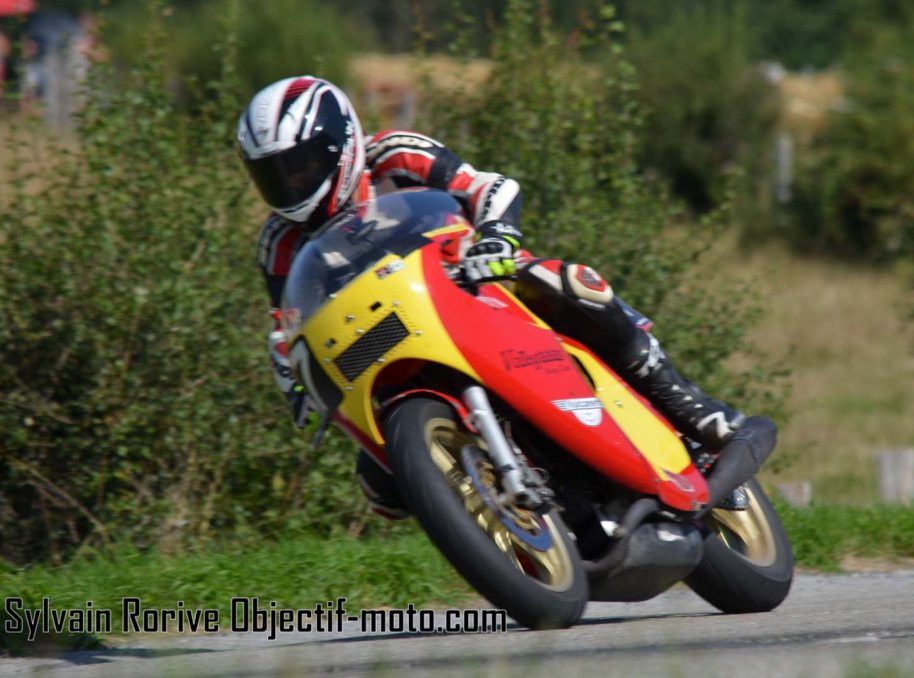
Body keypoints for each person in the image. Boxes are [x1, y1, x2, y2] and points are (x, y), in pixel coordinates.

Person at [237, 76, 776, 518]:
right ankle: (497, 515)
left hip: (469, 279)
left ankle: (690, 406)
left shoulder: (395, 154)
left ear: (341, 143)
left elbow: (490, 187)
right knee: (378, 486)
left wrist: (495, 234)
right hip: (382, 340)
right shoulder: (279, 243)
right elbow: (286, 328)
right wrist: (296, 382)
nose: (292, 186)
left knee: (568, 285)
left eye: (303, 166)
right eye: (274, 177)